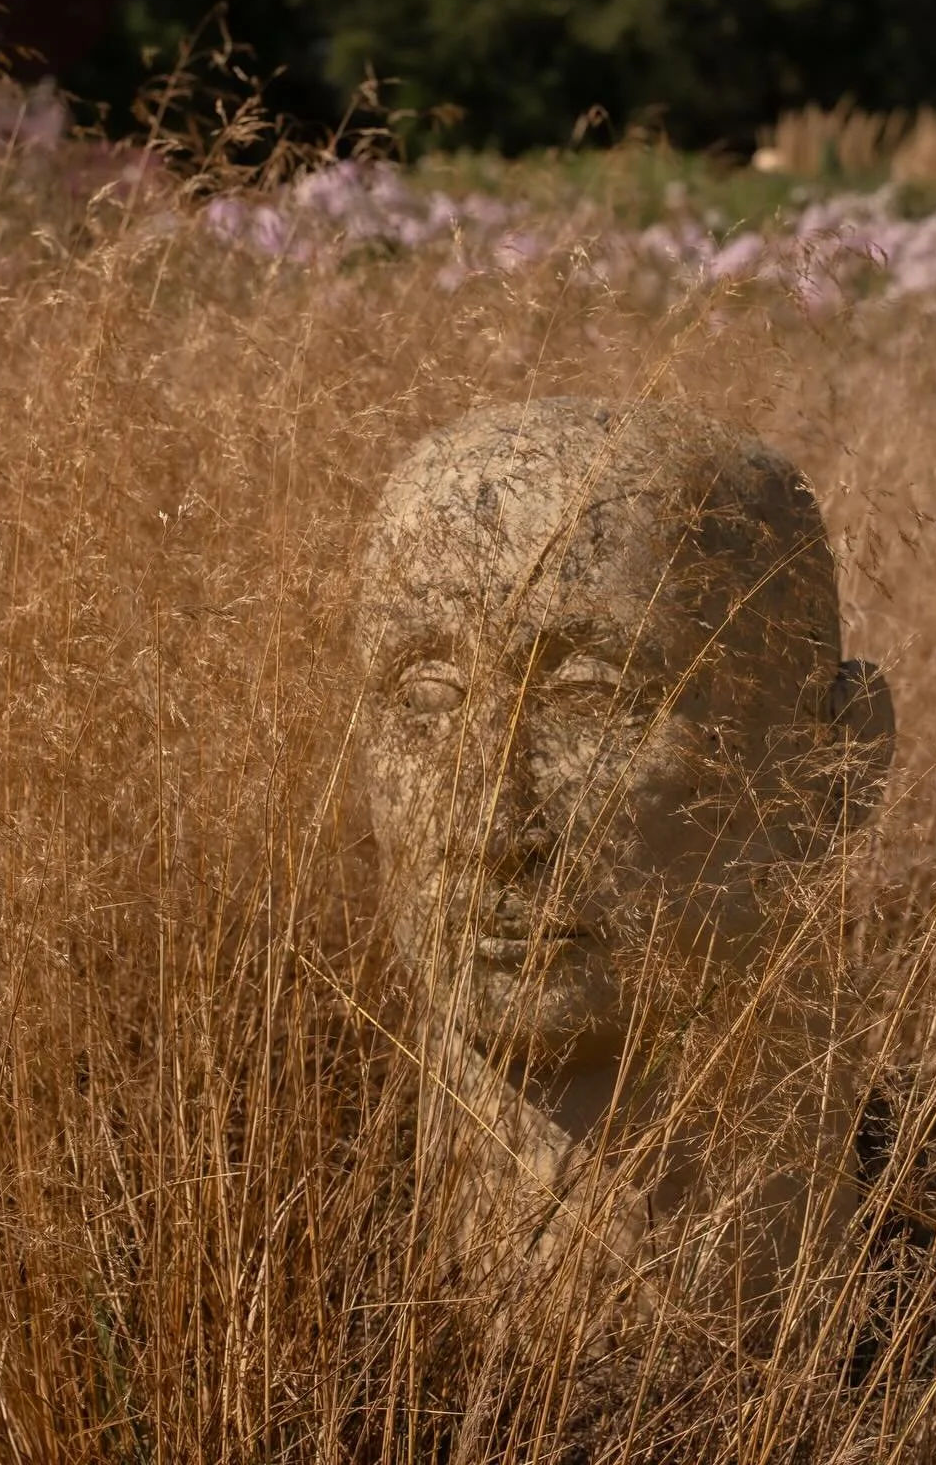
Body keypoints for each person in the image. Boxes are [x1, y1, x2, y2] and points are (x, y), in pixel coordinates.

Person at [352, 396, 894, 1337]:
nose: (490, 822)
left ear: (836, 761)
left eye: (592, 699)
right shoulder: (276, 1263)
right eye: (426, 695)